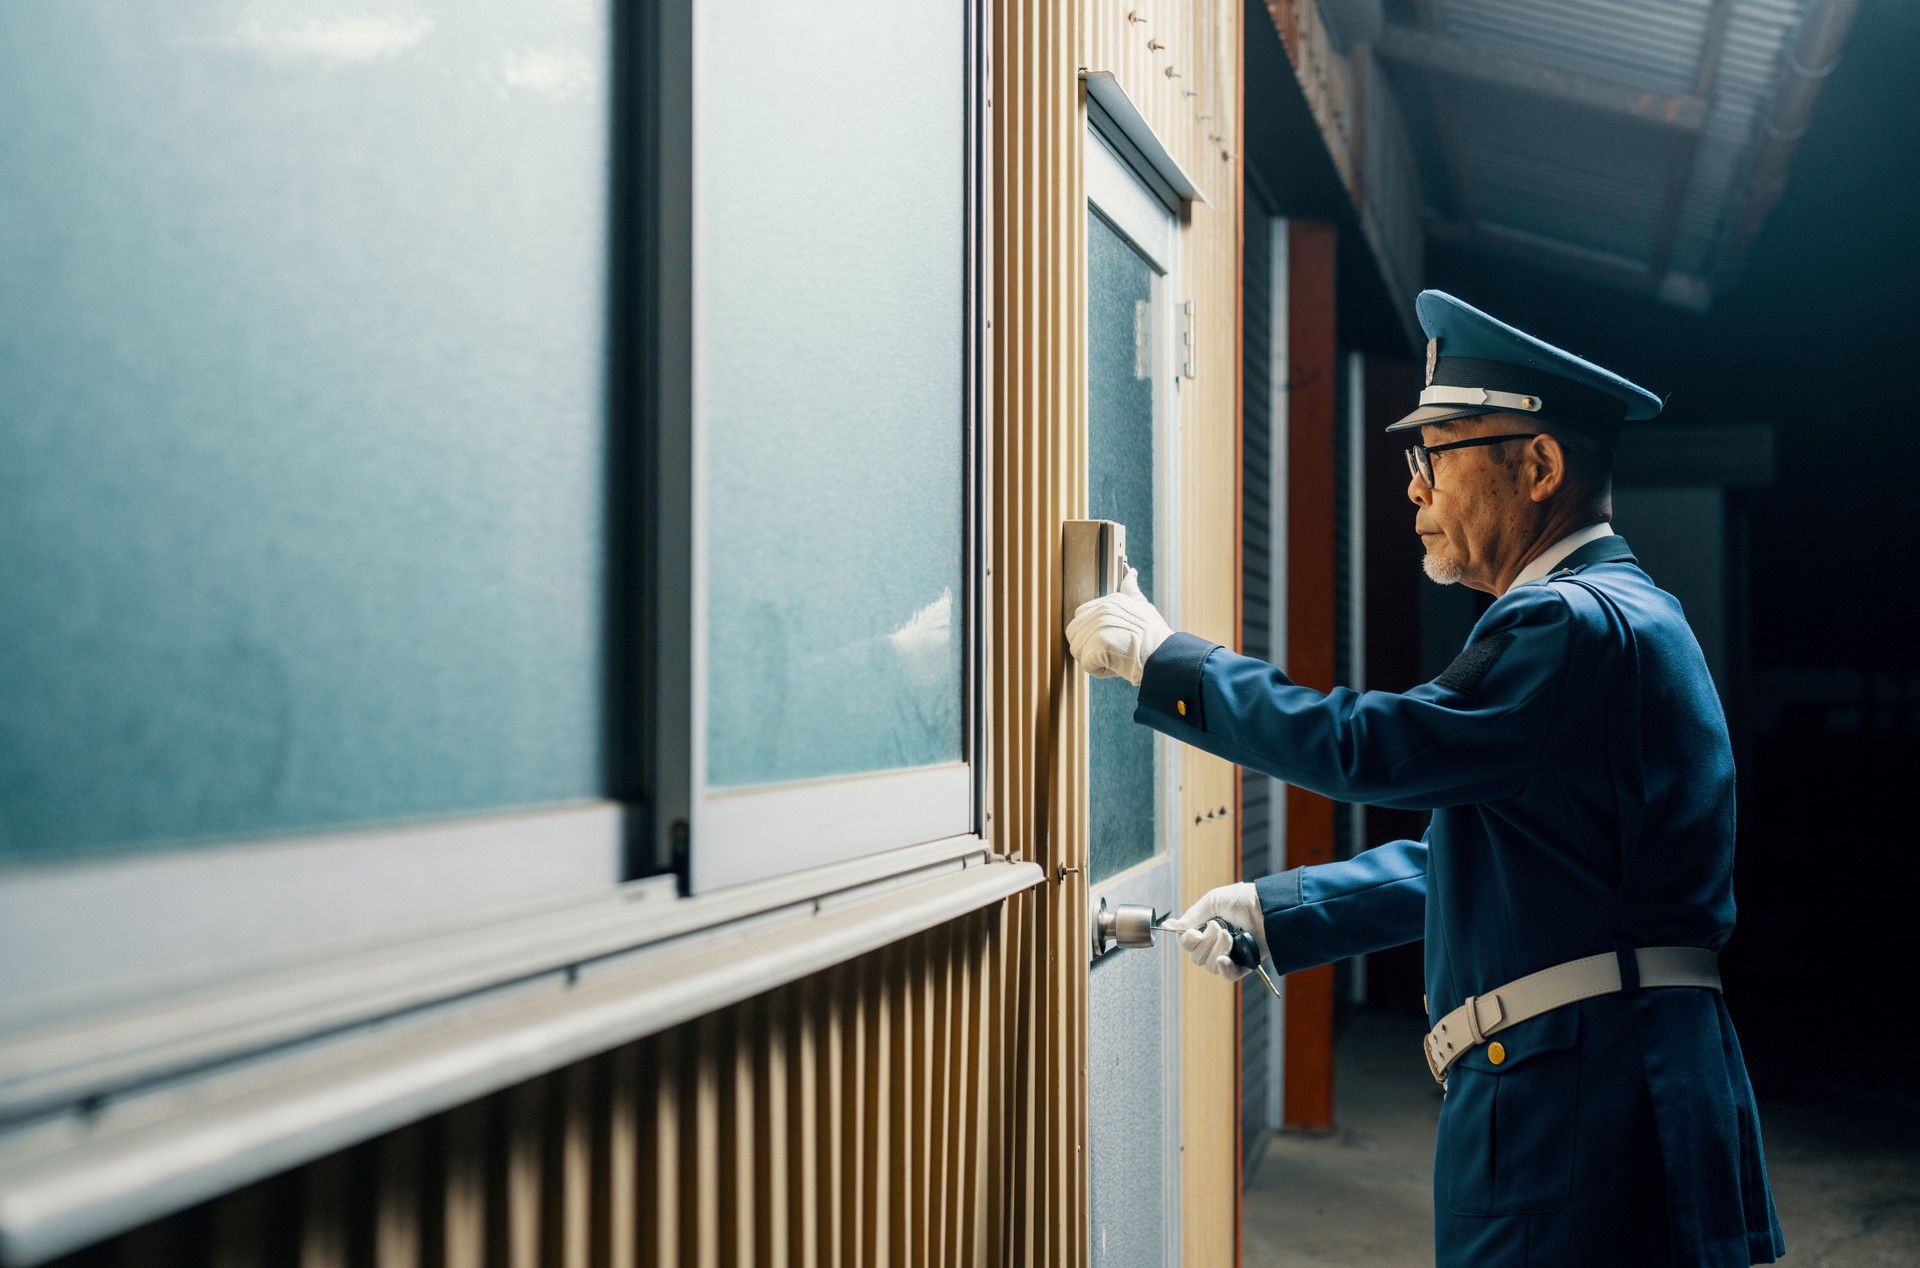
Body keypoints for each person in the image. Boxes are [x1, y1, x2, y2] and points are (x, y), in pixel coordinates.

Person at [1065, 290, 1783, 1267]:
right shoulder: (1635, 613)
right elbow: (1510, 858)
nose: (1413, 488)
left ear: (1538, 465)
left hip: (1579, 1104)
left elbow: (1377, 745)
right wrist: (1283, 908)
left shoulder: (1564, 624)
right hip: (1634, 1078)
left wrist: (1171, 664)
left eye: (1435, 455)